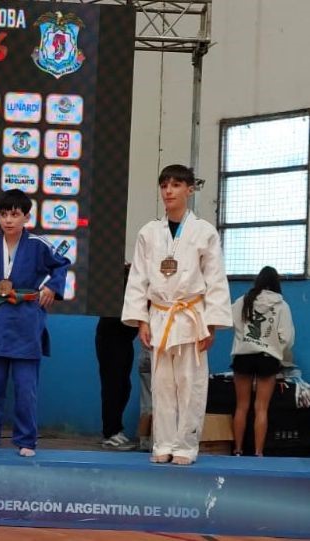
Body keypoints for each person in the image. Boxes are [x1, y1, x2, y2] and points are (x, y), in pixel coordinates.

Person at [122, 164, 232, 465]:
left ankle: (185, 446)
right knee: (161, 386)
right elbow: (138, 279)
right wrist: (141, 319)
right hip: (159, 315)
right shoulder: (149, 232)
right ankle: (164, 443)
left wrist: (212, 324)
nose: (168, 191)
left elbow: (216, 279)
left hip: (191, 316)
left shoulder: (205, 232)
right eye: (164, 185)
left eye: (175, 185)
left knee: (191, 384)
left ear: (190, 189)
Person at [0, 189, 70, 457]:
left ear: (26, 217)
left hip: (26, 320)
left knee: (25, 390)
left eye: (15, 214)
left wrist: (52, 288)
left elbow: (61, 265)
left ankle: (26, 441)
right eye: (4, 214)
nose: (9, 220)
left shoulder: (38, 244)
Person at [230, 266, 294, 457]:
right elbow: (288, 338)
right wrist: (275, 349)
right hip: (268, 359)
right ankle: (258, 453)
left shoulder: (243, 301)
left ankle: (238, 450)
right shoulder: (282, 306)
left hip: (243, 356)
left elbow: (227, 319)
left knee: (241, 406)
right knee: (261, 408)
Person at [96, 264, 138, 450]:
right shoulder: (115, 290)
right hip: (110, 339)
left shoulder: (136, 288)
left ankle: (116, 429)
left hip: (125, 340)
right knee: (112, 386)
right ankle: (110, 433)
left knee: (124, 386)